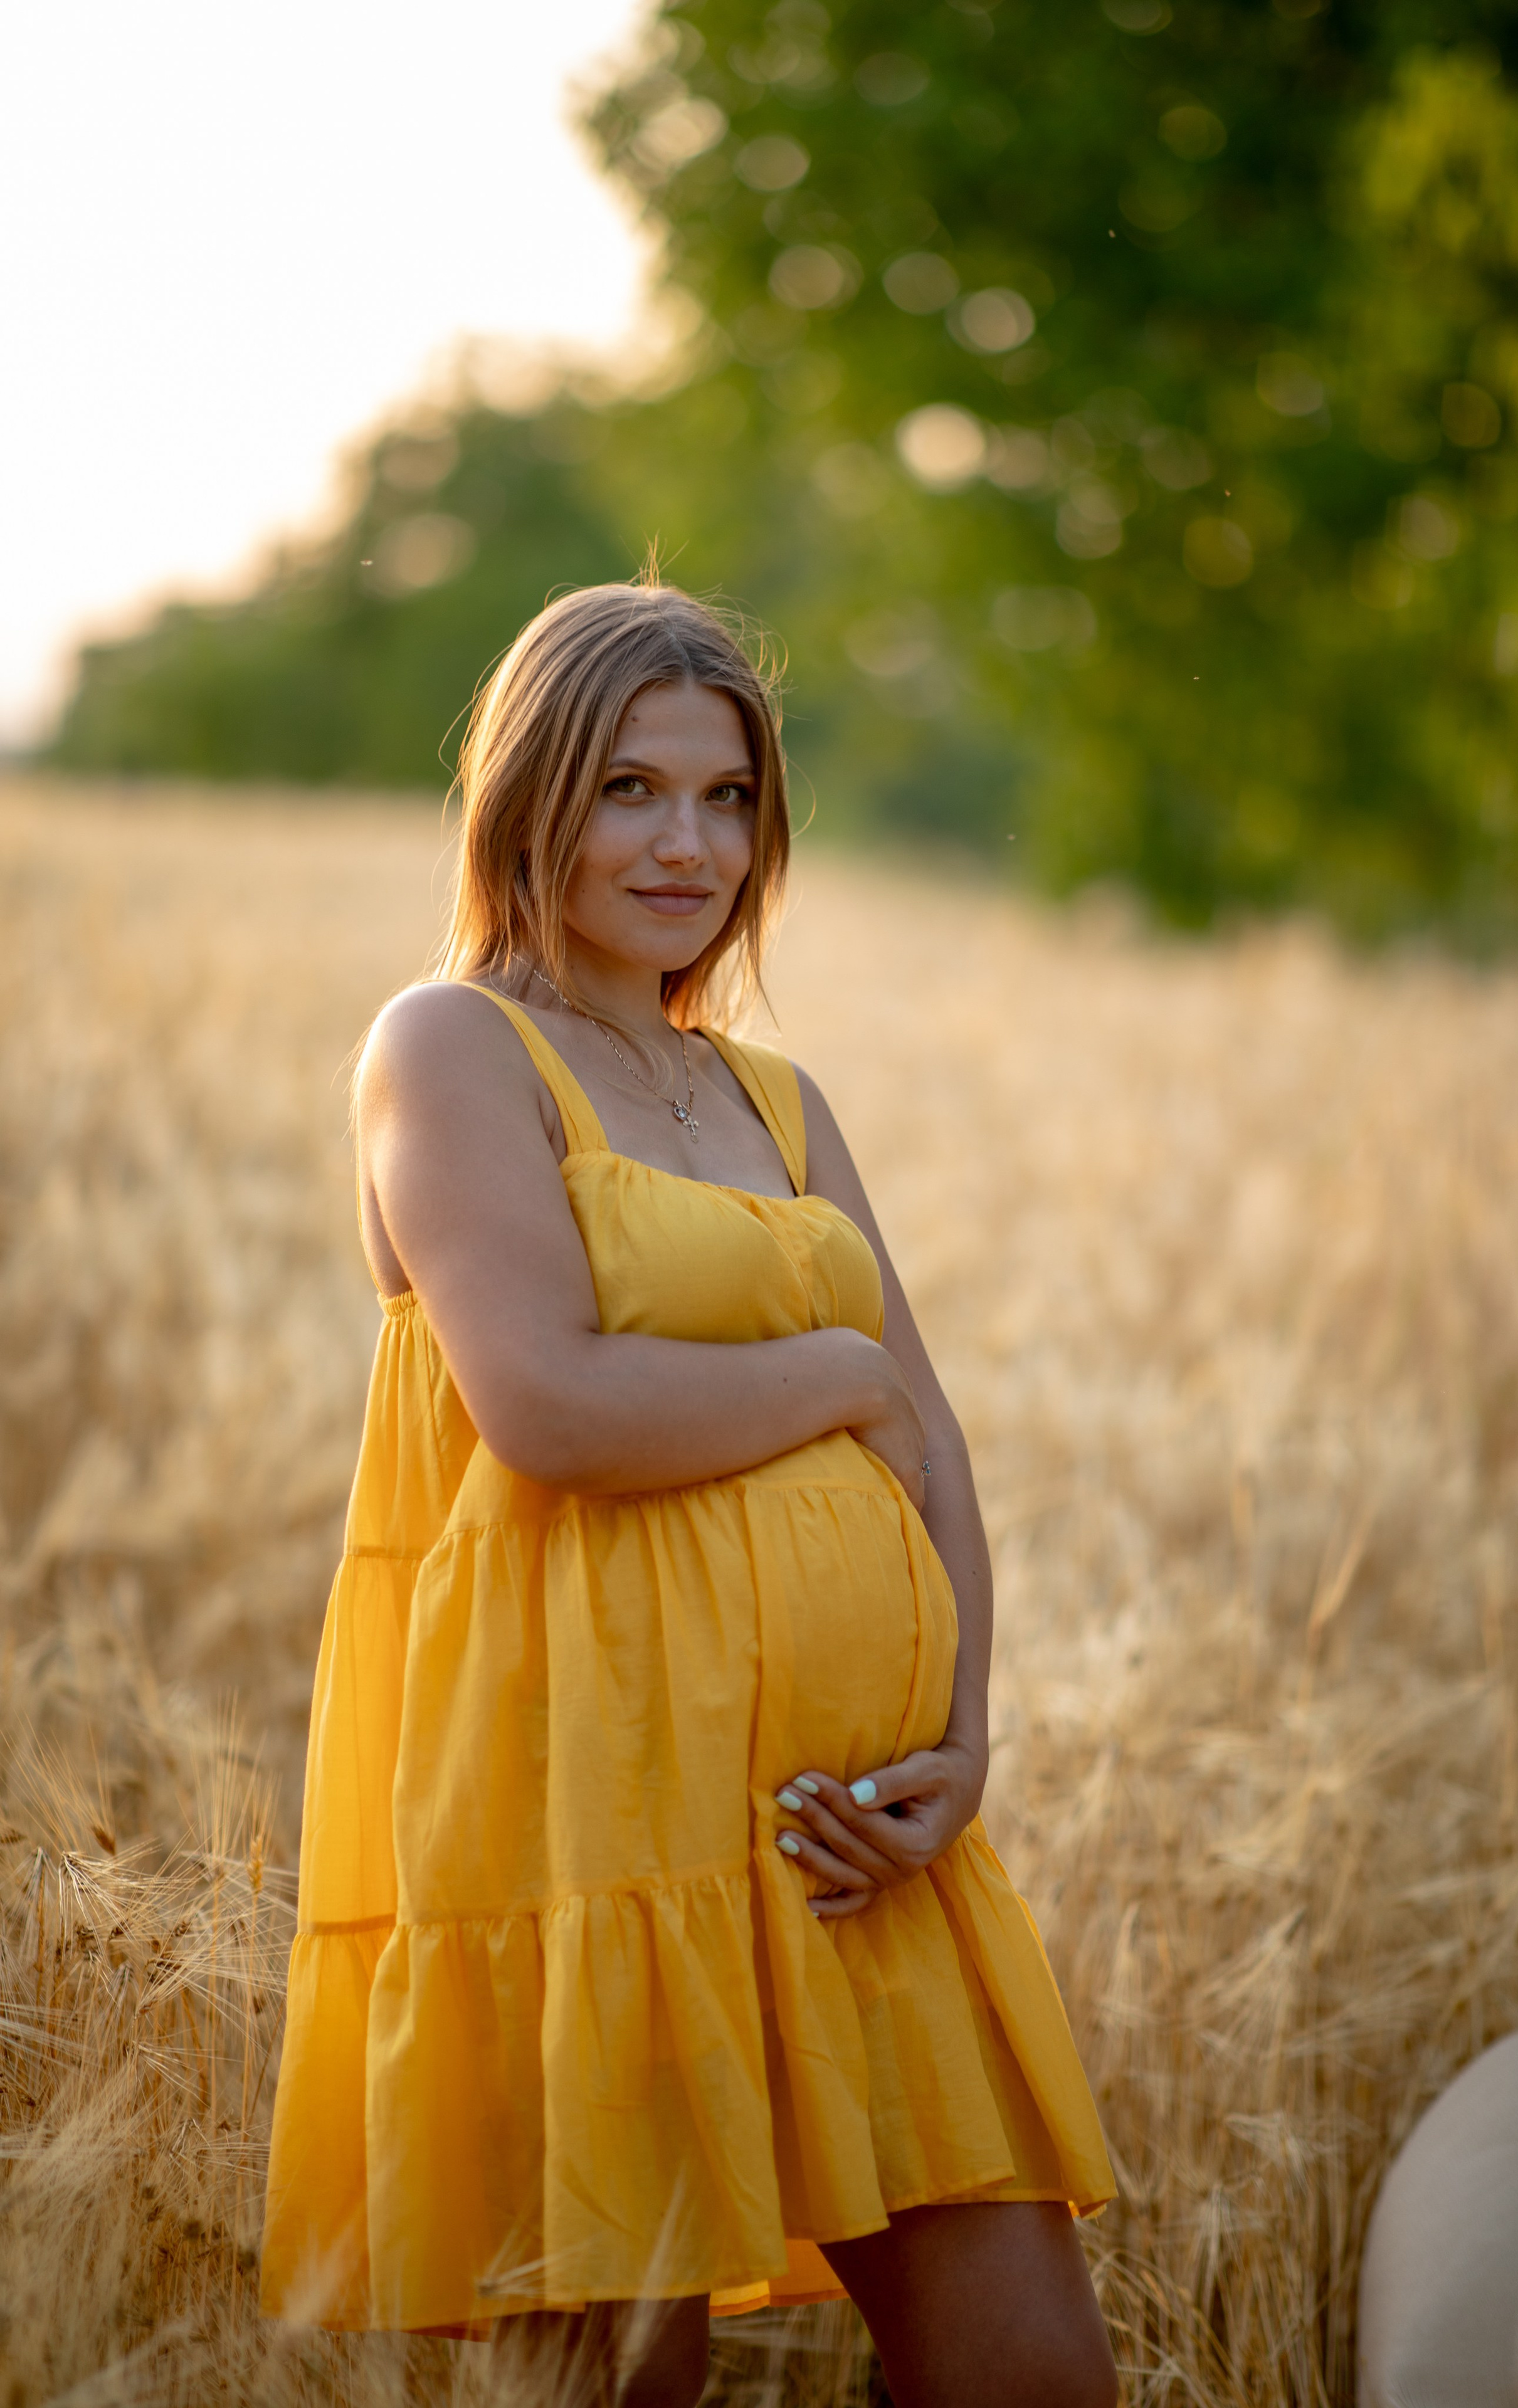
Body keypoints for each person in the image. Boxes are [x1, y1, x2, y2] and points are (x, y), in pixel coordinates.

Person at [261, 578, 1118, 2407]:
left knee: (1033, 2376)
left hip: (848, 1853)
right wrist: (835, 1373)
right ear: (527, 800)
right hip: (597, 1831)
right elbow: (552, 1406)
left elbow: (935, 1441)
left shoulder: (775, 1098)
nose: (689, 843)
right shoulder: (451, 1047)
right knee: (619, 2392)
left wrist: (960, 1749)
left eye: (728, 798)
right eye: (632, 789)